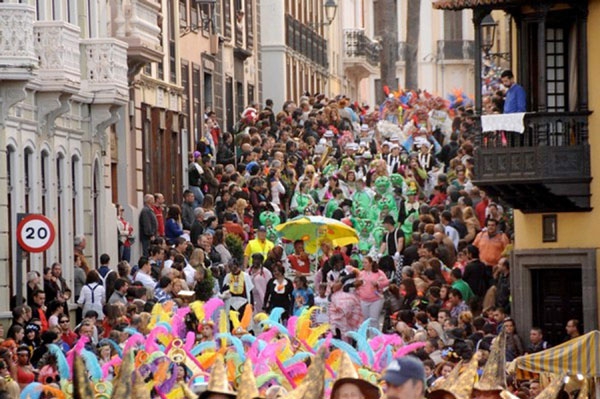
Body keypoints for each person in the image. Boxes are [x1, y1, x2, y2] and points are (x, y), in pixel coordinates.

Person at [356, 256, 389, 330]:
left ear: (370, 263)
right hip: (363, 299)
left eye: (365, 263)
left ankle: (374, 339)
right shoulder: (361, 273)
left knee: (374, 320)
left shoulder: (379, 272)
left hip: (376, 299)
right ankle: (365, 338)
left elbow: (386, 282)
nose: (364, 265)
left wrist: (378, 284)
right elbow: (356, 286)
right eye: (363, 263)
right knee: (365, 321)